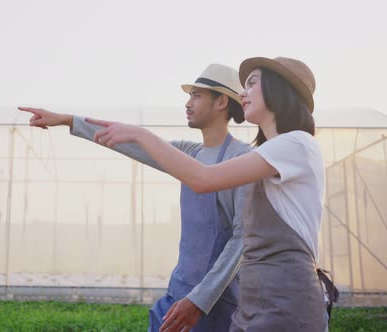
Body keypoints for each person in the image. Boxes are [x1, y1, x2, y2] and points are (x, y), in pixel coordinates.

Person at [85, 57, 328, 331]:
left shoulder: (296, 144)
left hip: (287, 302)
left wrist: (142, 134)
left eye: (251, 83)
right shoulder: (265, 156)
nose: (243, 93)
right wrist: (72, 122)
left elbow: (203, 179)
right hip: (253, 301)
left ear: (278, 89)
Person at [19, 63, 253, 332]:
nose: (188, 103)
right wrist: (69, 120)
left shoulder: (242, 158)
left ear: (222, 101)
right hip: (178, 292)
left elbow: (240, 240)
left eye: (197, 96)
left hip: (215, 302)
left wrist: (200, 301)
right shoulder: (191, 153)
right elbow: (133, 143)